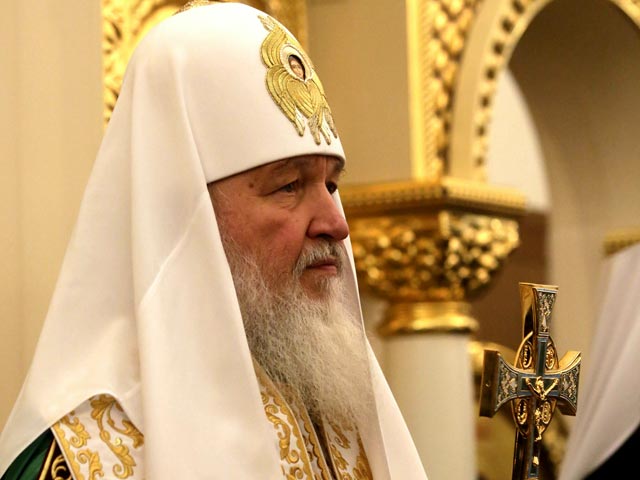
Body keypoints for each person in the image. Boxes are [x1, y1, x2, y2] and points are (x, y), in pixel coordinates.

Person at [0, 2, 428, 479]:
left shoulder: (343, 419)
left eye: (331, 186)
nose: (336, 223)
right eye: (289, 186)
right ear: (186, 215)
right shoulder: (83, 461)